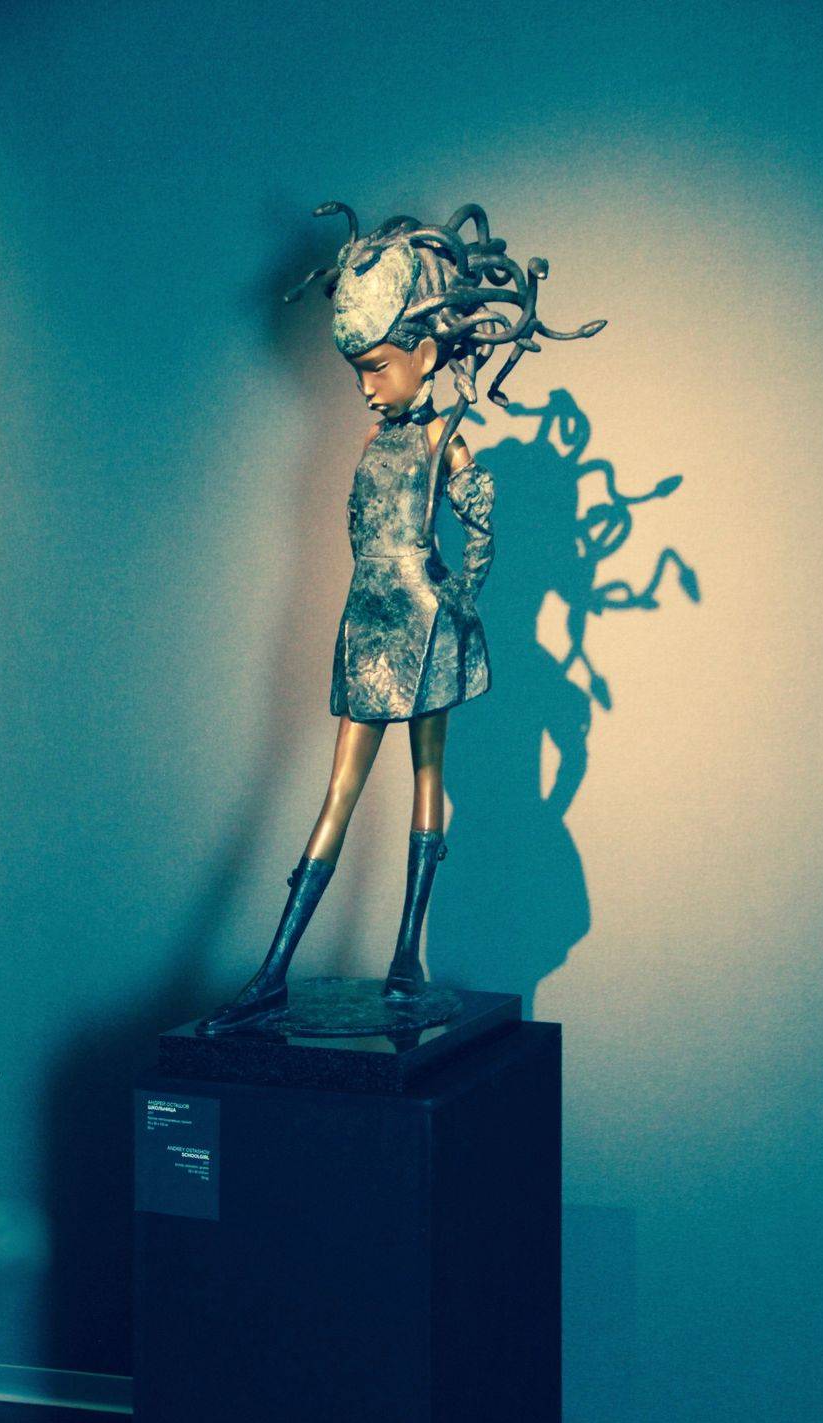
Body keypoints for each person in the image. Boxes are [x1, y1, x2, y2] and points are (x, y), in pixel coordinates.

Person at [199, 202, 604, 1035]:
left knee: (425, 781)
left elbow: (481, 525)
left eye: (377, 366)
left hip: (424, 627)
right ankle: (280, 970)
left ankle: (399, 959)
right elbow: (369, 537)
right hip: (370, 624)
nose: (365, 385)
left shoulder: (444, 441)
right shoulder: (374, 443)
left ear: (424, 354)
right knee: (343, 791)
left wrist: (459, 595)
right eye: (358, 369)